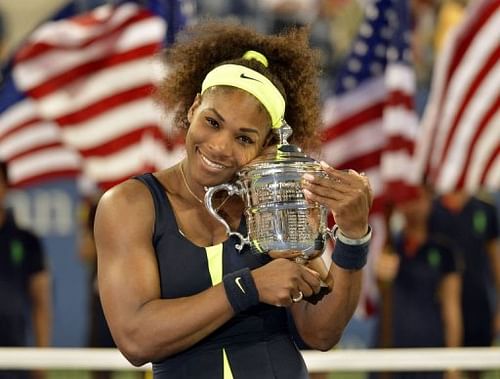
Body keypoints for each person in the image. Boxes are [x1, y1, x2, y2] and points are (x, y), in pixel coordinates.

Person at [94, 20, 373, 379]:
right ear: (194, 108)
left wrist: (352, 238)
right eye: (213, 122)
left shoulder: (274, 203)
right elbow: (136, 339)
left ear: (267, 145)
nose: (220, 147)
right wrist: (250, 286)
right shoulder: (129, 205)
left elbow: (320, 332)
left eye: (244, 138)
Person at [373, 186, 463, 379]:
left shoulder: (444, 251)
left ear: (430, 200)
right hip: (390, 349)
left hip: (430, 351)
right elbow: (372, 296)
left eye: (418, 198)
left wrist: (453, 361)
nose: (413, 206)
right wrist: (379, 275)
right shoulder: (384, 247)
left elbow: (451, 307)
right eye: (408, 198)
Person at [429, 190, 500, 379]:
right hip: (439, 310)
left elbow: (495, 259)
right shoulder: (432, 210)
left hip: (477, 304)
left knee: (475, 368)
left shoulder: (485, 209)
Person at [0, 161, 52, 379]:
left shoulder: (27, 241)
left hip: (15, 359)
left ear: (6, 186)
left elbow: (41, 303)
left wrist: (40, 360)